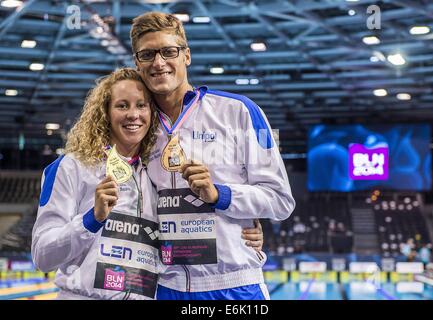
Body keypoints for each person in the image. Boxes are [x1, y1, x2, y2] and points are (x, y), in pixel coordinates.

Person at [31, 68, 264, 300]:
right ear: (105, 113)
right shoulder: (72, 167)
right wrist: (92, 219)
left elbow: (180, 231)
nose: (133, 114)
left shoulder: (153, 172)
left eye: (141, 105)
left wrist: (239, 229)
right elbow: (43, 256)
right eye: (122, 105)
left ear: (152, 113)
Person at [131, 12, 295, 300]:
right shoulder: (135, 126)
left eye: (169, 51)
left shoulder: (239, 111)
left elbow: (280, 201)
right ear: (137, 63)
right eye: (147, 54)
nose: (158, 62)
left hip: (235, 286)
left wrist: (220, 195)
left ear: (187, 56)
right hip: (165, 287)